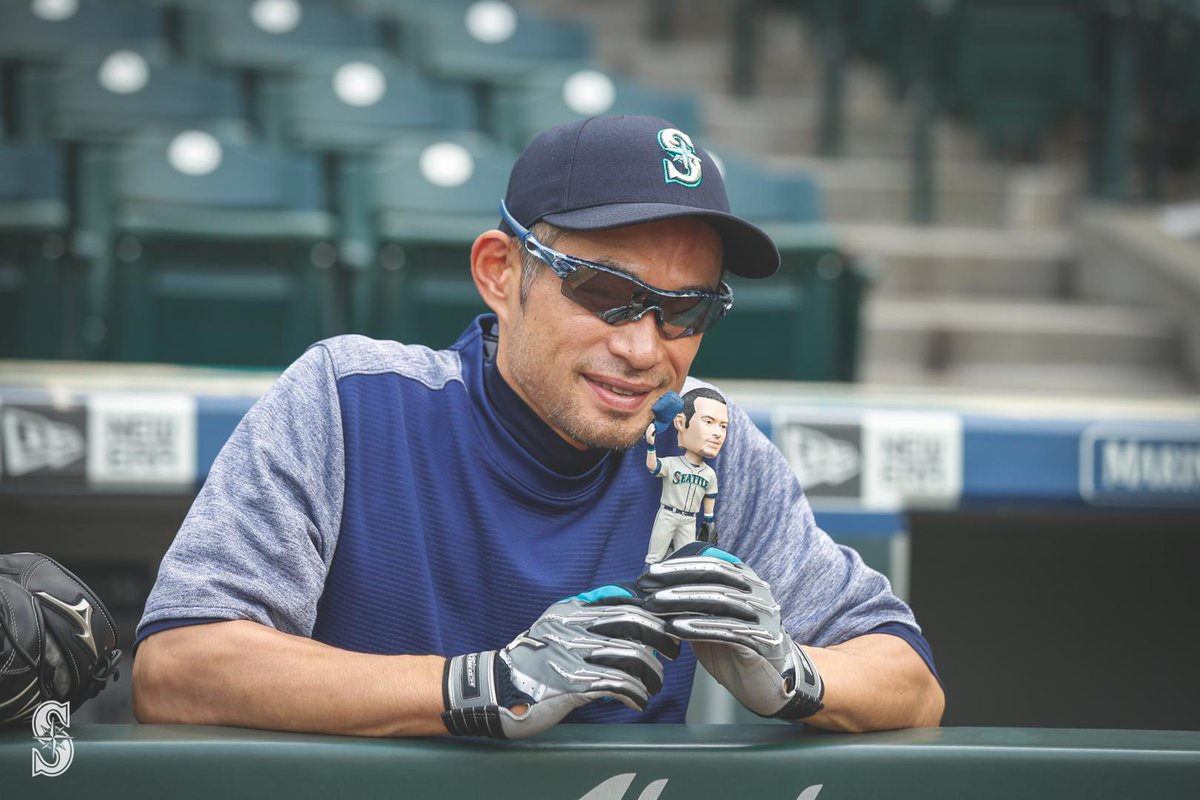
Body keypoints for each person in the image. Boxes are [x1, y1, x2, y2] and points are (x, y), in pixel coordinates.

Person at [133, 115, 944, 739]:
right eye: (603, 292)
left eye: (686, 310)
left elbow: (911, 681)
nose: (642, 349)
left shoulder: (706, 444)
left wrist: (799, 676)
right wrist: (479, 688)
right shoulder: (352, 399)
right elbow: (177, 668)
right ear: (500, 271)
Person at [643, 388, 727, 565]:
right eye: (708, 422)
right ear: (681, 422)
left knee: (686, 562)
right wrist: (651, 445)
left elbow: (710, 496)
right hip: (668, 514)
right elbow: (653, 466)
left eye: (723, 426)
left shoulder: (709, 473)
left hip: (690, 519)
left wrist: (709, 520)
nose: (718, 433)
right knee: (654, 558)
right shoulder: (673, 463)